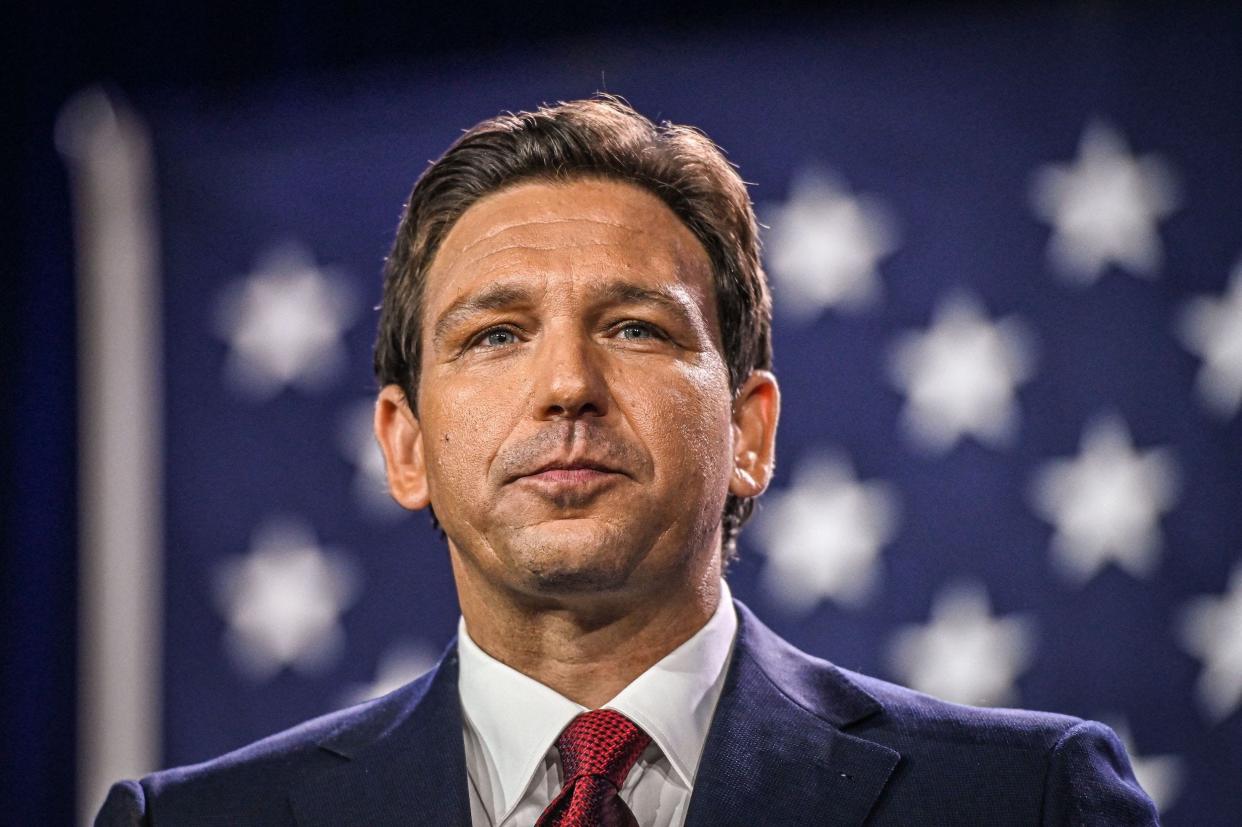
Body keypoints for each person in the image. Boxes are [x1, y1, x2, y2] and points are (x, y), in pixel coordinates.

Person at [96, 96, 1158, 826]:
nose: (567, 384)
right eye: (495, 334)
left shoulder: (1024, 799)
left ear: (750, 432)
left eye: (638, 328)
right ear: (404, 444)